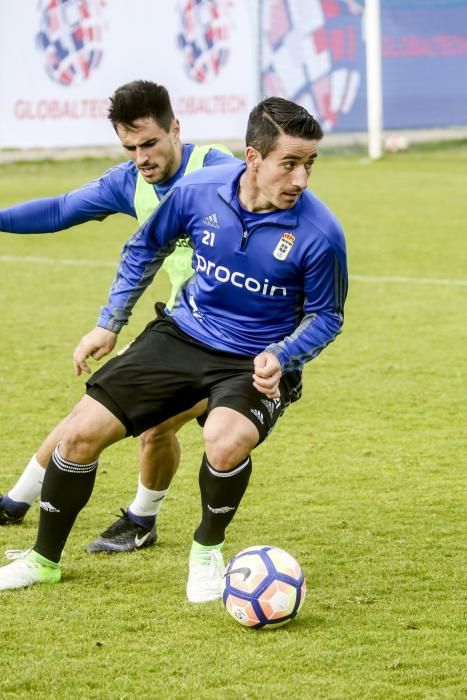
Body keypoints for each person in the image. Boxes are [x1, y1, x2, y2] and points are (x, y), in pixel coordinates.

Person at [0, 97, 348, 602]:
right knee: (76, 436)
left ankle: (207, 549)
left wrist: (285, 354)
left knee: (226, 441)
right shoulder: (198, 192)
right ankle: (42, 559)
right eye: (289, 164)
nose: (301, 180)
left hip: (256, 358)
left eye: (309, 164)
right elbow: (144, 248)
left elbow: (328, 315)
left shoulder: (321, 234)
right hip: (184, 334)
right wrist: (109, 323)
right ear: (253, 158)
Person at [0, 80, 236, 553]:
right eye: (130, 147)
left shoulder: (220, 171)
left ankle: (141, 520)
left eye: (150, 143)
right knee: (92, 409)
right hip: (179, 330)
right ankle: (13, 503)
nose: (141, 156)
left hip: (238, 340)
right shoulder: (129, 181)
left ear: (176, 129)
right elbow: (60, 210)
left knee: (155, 425)